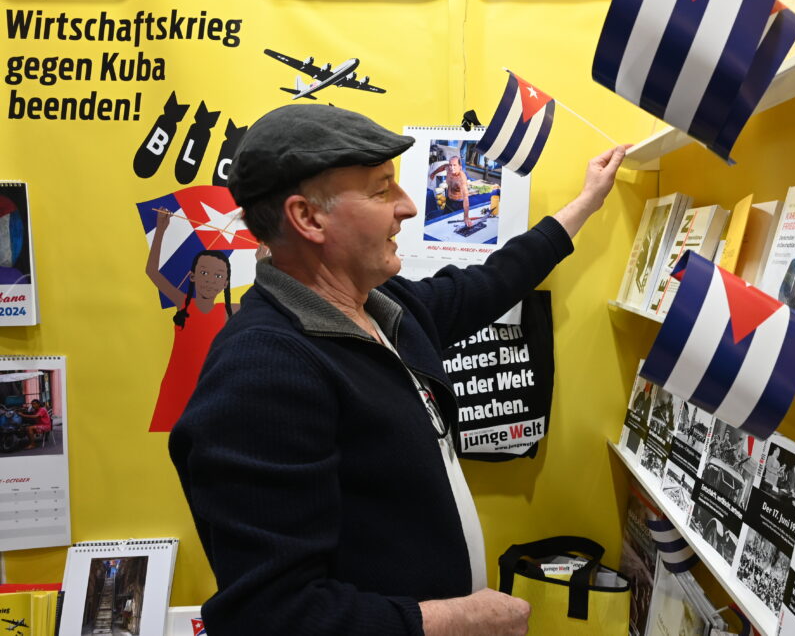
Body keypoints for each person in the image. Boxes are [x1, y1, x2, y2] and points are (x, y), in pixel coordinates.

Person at [168, 103, 626, 636]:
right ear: (307, 217)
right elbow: (273, 616)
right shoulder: (263, 371)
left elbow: (494, 281)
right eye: (382, 189)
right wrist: (458, 618)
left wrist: (586, 203)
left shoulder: (385, 308)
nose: (408, 206)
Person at [145, 211, 262, 432]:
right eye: (205, 273)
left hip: (215, 387)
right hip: (179, 387)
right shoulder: (184, 303)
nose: (210, 280)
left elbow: (262, 296)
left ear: (226, 282)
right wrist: (161, 230)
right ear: (193, 276)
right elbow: (152, 271)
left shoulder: (229, 310)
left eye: (218, 276)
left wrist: (262, 263)